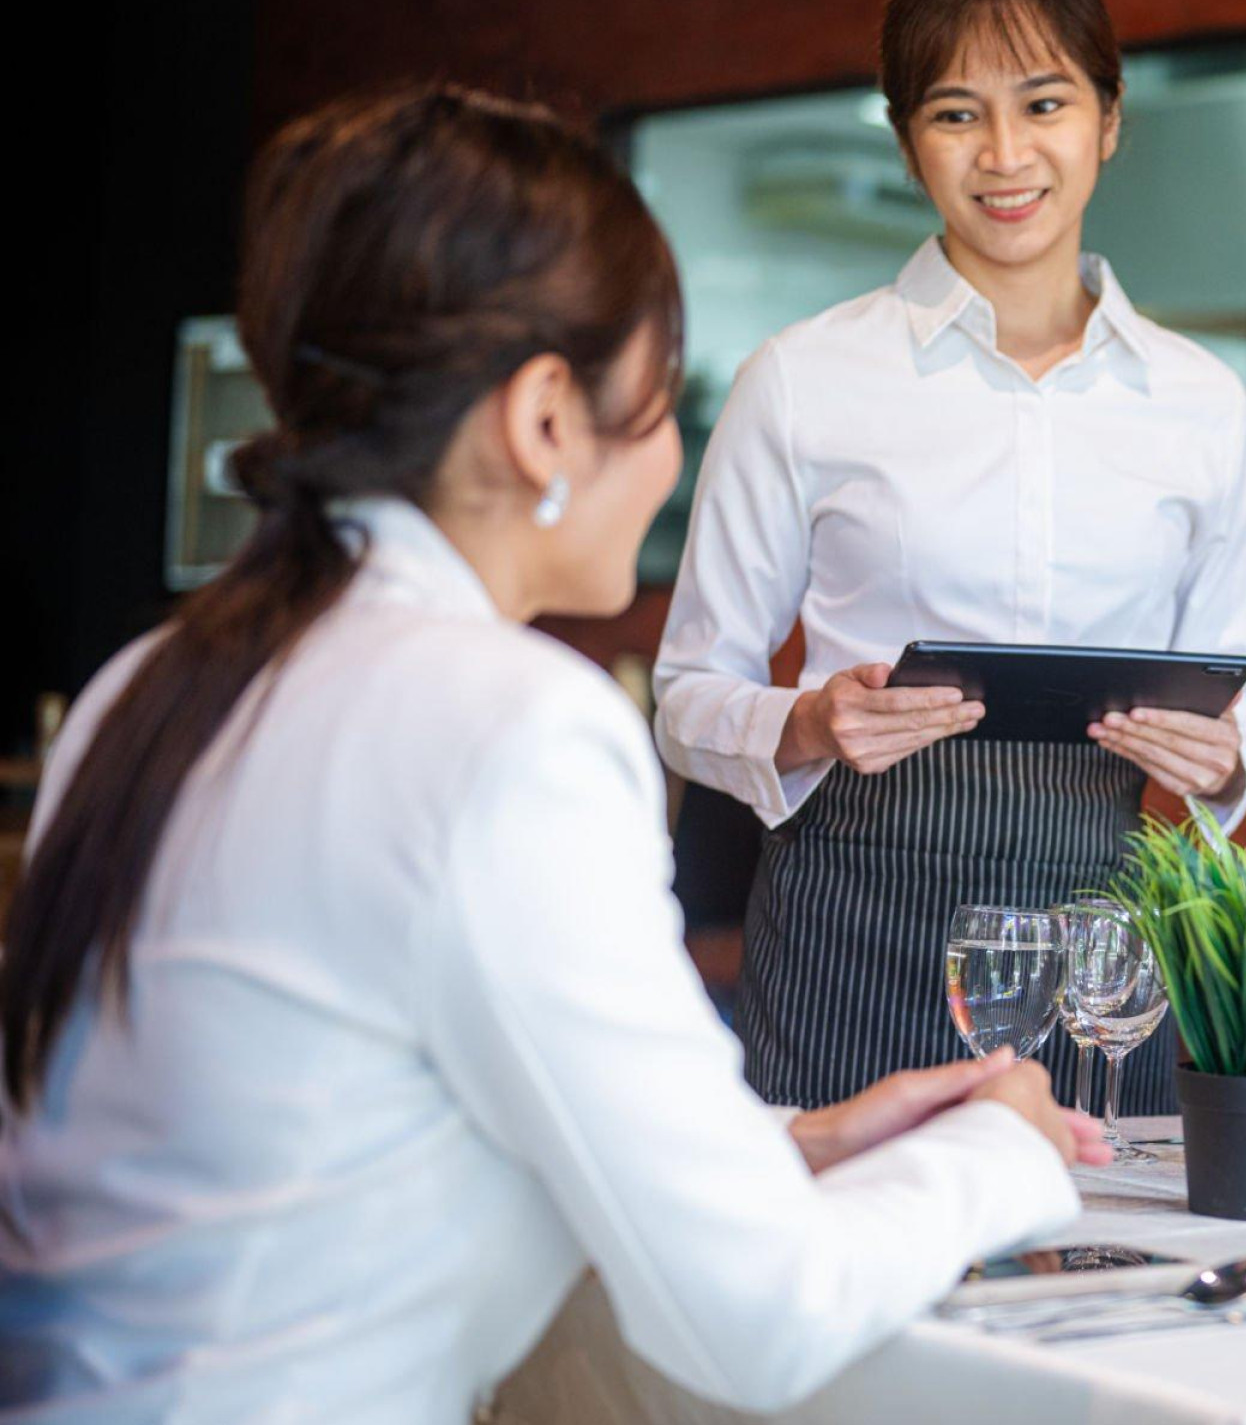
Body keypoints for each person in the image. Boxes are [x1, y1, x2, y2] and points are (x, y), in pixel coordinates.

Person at [0, 86, 1103, 1423]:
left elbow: (347, 1110)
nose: (667, 463)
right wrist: (1005, 1147)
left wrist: (794, 1140)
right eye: (655, 406)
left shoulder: (146, 685)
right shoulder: (511, 723)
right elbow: (759, 1314)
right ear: (540, 422)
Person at [653, 0, 1246, 1112]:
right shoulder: (801, 378)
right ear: (904, 138)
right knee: (843, 1273)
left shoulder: (1200, 400)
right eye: (954, 114)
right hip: (856, 920)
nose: (1005, 155)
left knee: (1104, 1269)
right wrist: (807, 721)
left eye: (1044, 103)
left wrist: (1227, 756)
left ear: (1109, 118)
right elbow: (688, 691)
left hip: (1108, 938)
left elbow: (1241, 699)